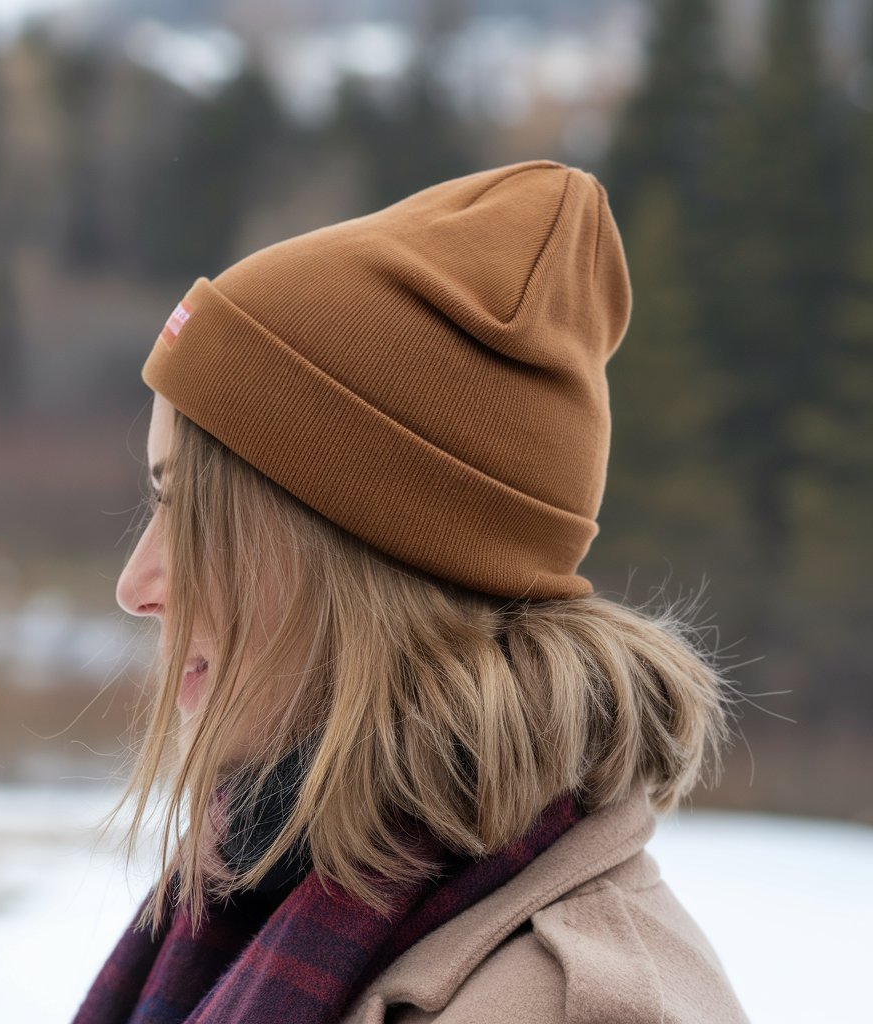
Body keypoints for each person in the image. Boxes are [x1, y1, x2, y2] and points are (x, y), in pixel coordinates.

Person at [72, 159, 751, 1023]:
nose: (138, 585)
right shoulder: (253, 896)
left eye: (191, 512)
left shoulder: (565, 1004)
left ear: (359, 553)